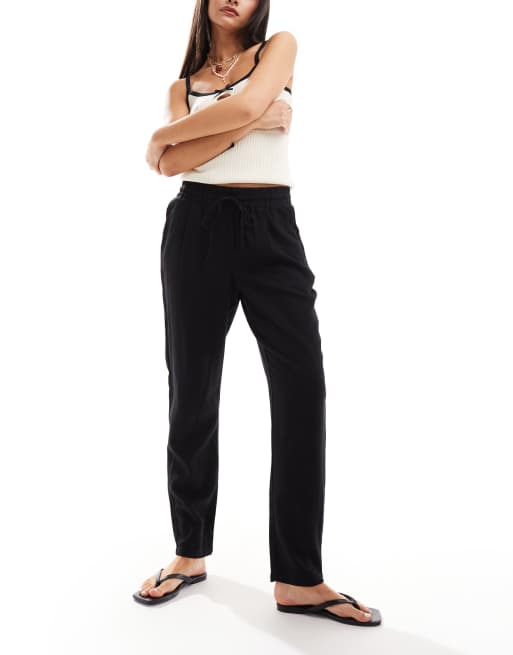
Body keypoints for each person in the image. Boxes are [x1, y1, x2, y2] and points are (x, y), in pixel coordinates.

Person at [134, 0, 381, 627]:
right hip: (195, 228)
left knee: (302, 391)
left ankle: (300, 578)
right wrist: (176, 139)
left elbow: (222, 121)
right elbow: (175, 164)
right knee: (192, 392)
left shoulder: (278, 48)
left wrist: (173, 136)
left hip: (272, 227)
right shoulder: (181, 86)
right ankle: (189, 552)